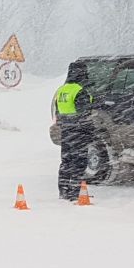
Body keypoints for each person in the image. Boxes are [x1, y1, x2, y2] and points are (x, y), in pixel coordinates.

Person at [54, 61, 95, 201]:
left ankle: (63, 190)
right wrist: (90, 131)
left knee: (66, 161)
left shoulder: (62, 90)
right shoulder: (79, 90)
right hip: (78, 132)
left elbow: (58, 112)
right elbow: (84, 114)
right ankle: (74, 192)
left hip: (66, 131)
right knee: (79, 162)